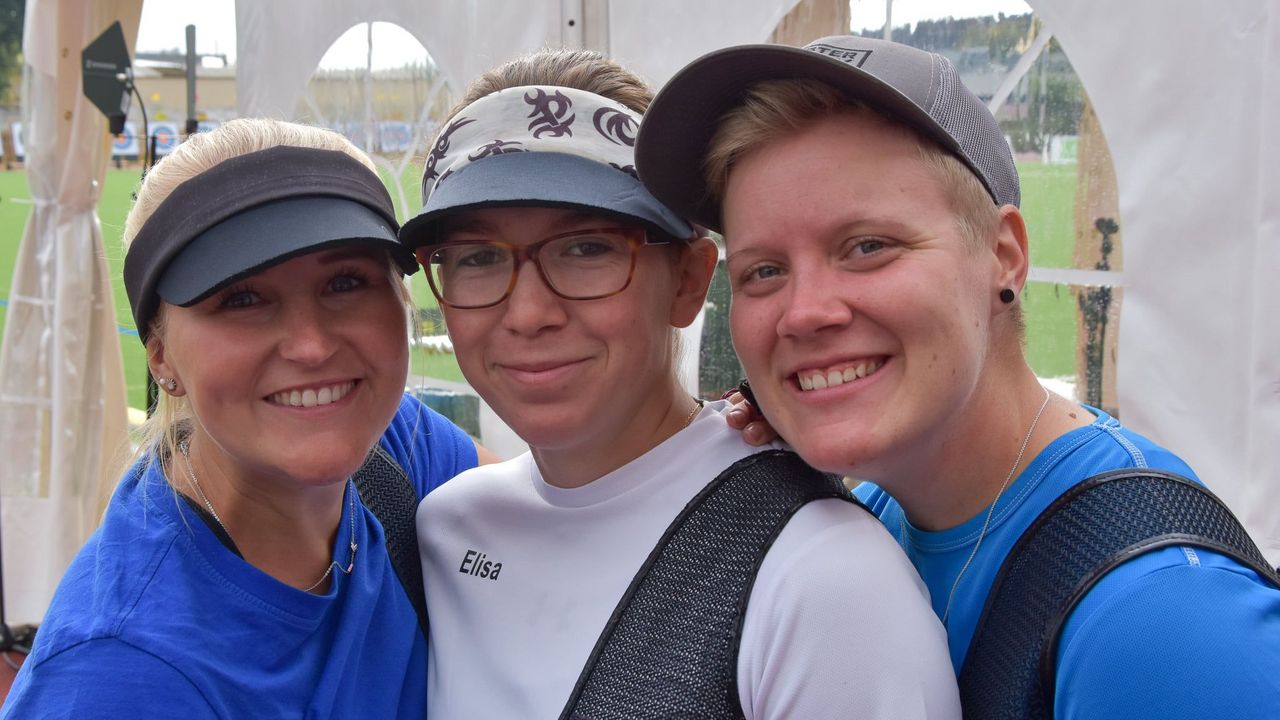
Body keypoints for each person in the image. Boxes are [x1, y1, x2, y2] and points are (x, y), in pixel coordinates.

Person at [634, 34, 1280, 719]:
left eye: (868, 247)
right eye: (764, 270)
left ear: (1003, 257)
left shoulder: (1162, 622)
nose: (805, 313)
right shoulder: (878, 513)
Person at [398, 49, 960, 719]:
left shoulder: (822, 579)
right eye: (479, 259)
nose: (528, 314)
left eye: (587, 248)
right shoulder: (446, 531)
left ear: (690, 280)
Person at [0, 118, 480, 719]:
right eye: (242, 298)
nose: (310, 346)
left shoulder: (394, 446)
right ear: (161, 355)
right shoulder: (121, 676)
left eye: (346, 281)